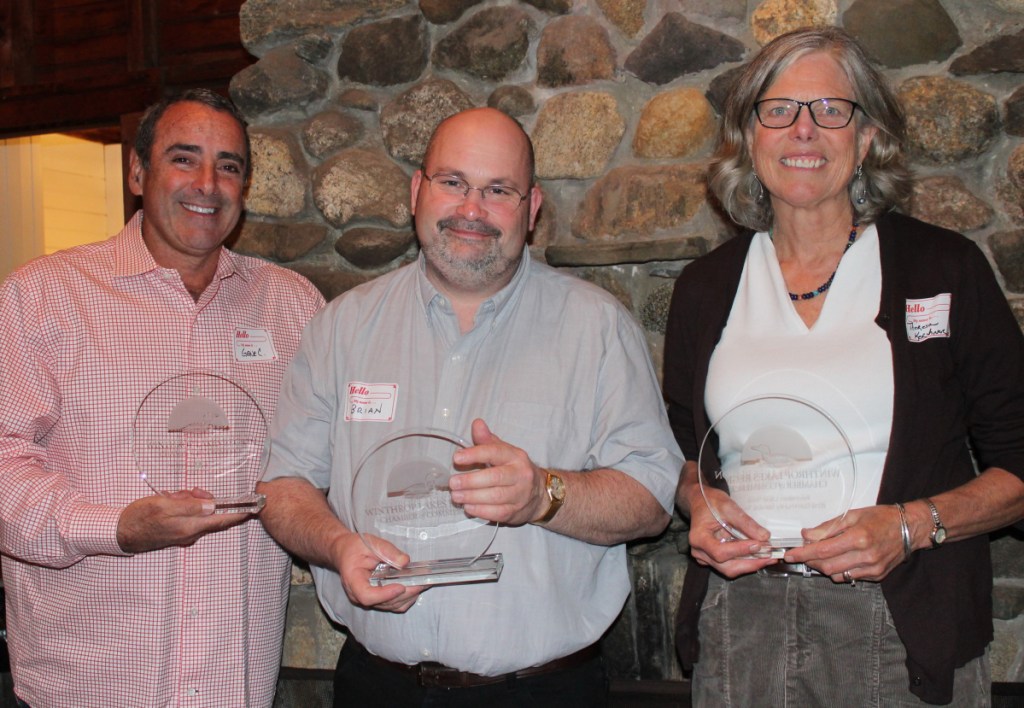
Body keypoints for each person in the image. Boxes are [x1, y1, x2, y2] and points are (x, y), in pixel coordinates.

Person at [257, 106, 682, 707]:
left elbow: (652, 499)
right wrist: (336, 545)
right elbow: (283, 485)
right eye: (453, 182)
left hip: (541, 694)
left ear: (532, 208)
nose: (472, 209)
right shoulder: (341, 328)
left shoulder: (598, 328)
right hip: (377, 688)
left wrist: (544, 495)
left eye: (498, 190)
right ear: (417, 191)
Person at [665, 27, 1024, 706]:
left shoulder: (943, 269)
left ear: (865, 139)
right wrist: (697, 504)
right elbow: (686, 458)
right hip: (744, 622)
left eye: (831, 109)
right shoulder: (704, 289)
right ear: (749, 137)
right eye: (778, 110)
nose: (803, 130)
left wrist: (911, 525)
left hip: (901, 622)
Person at [0, 89, 325, 707]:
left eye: (228, 166)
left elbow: (322, 459)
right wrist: (115, 528)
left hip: (233, 683)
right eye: (184, 158)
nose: (207, 184)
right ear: (137, 172)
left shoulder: (292, 306)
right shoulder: (43, 297)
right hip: (87, 686)